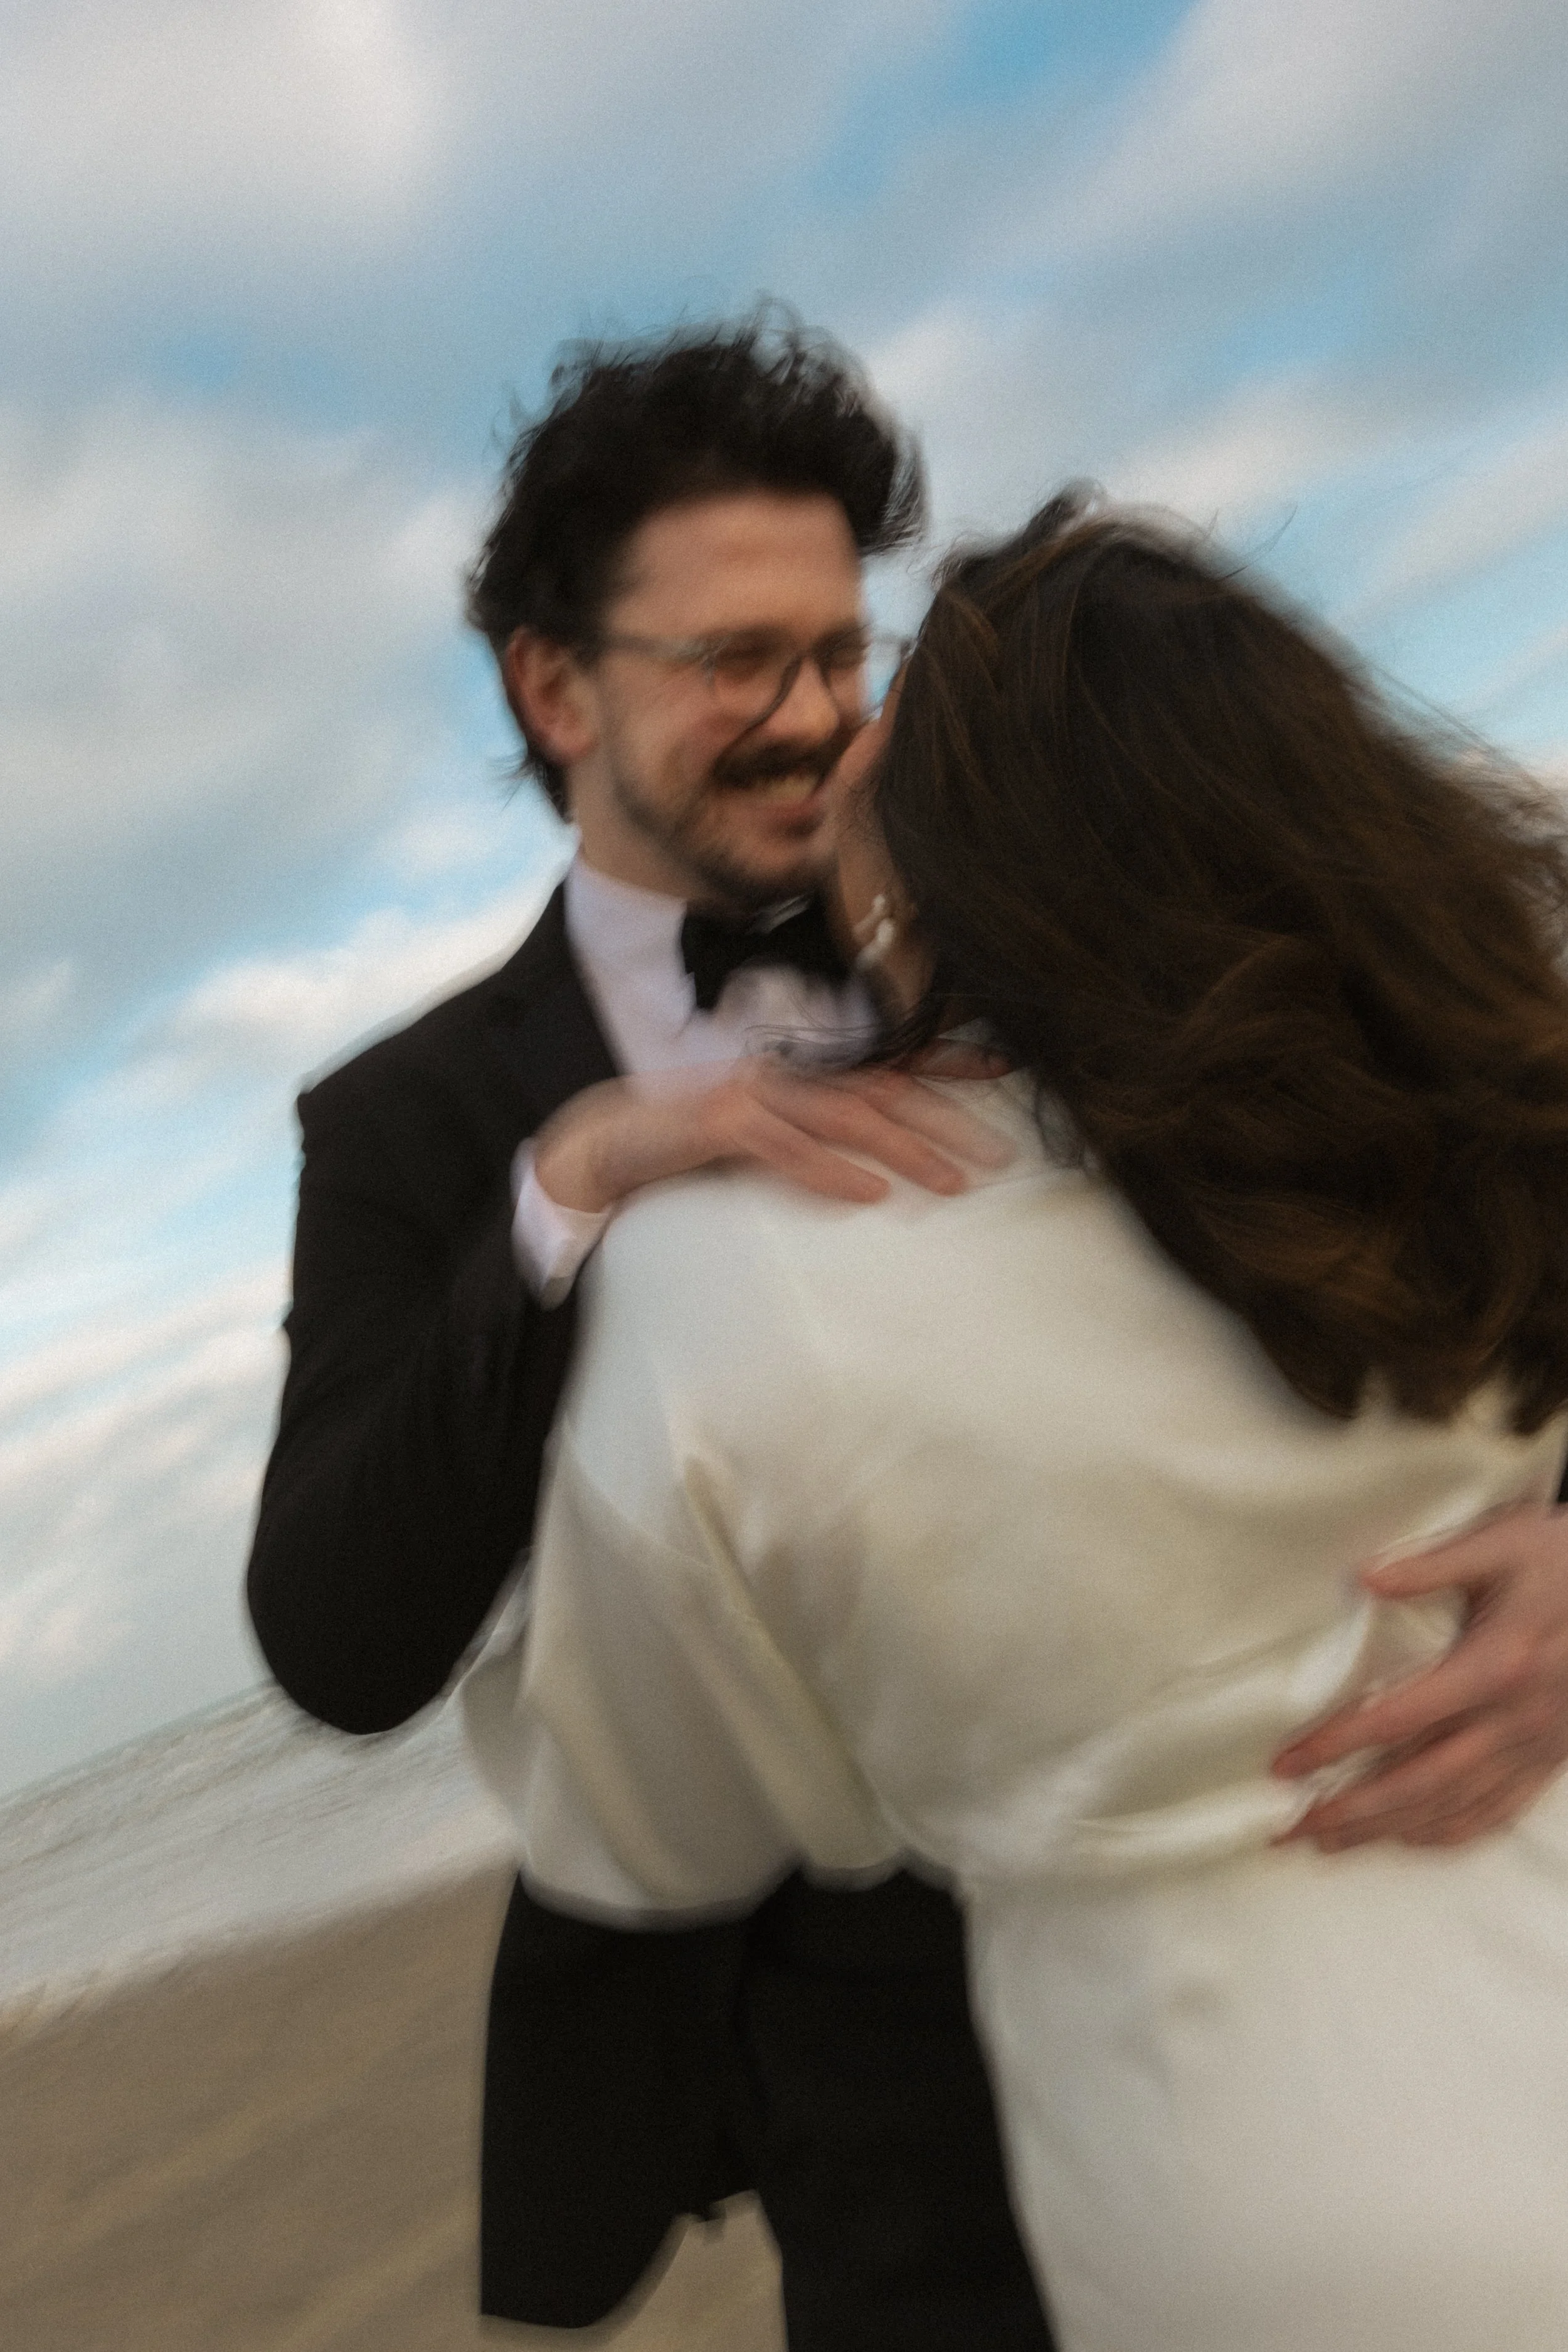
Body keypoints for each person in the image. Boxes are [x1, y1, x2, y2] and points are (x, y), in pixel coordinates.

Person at [247, 319, 1568, 2345]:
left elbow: (1446, 1143)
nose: (812, 717)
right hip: (858, 2093)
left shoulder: (1075, 891)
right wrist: (569, 1190)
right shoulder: (412, 1127)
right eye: (732, 665)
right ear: (552, 686)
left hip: (1346, 1916)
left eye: (839, 654)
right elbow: (340, 1639)